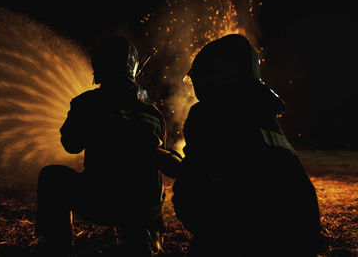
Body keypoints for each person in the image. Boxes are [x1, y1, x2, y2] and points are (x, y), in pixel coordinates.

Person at [172, 34, 321, 256]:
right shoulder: (265, 115)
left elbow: (196, 183)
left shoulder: (206, 113)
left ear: (212, 76)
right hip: (300, 241)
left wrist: (177, 169)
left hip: (251, 241)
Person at [35, 36, 181, 256]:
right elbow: (160, 162)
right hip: (141, 209)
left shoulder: (86, 103)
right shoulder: (154, 113)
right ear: (133, 68)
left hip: (102, 199)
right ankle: (149, 238)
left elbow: (71, 144)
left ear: (101, 65)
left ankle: (57, 247)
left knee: (51, 177)